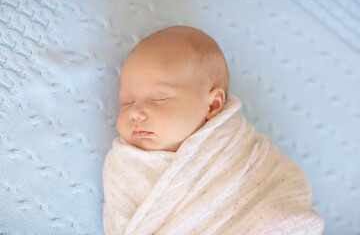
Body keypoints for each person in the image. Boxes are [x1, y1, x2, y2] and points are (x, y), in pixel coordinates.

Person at [103, 25, 324, 234]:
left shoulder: (238, 149)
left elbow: (277, 191)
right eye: (127, 102)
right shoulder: (123, 164)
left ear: (213, 105)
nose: (135, 113)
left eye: (159, 98)